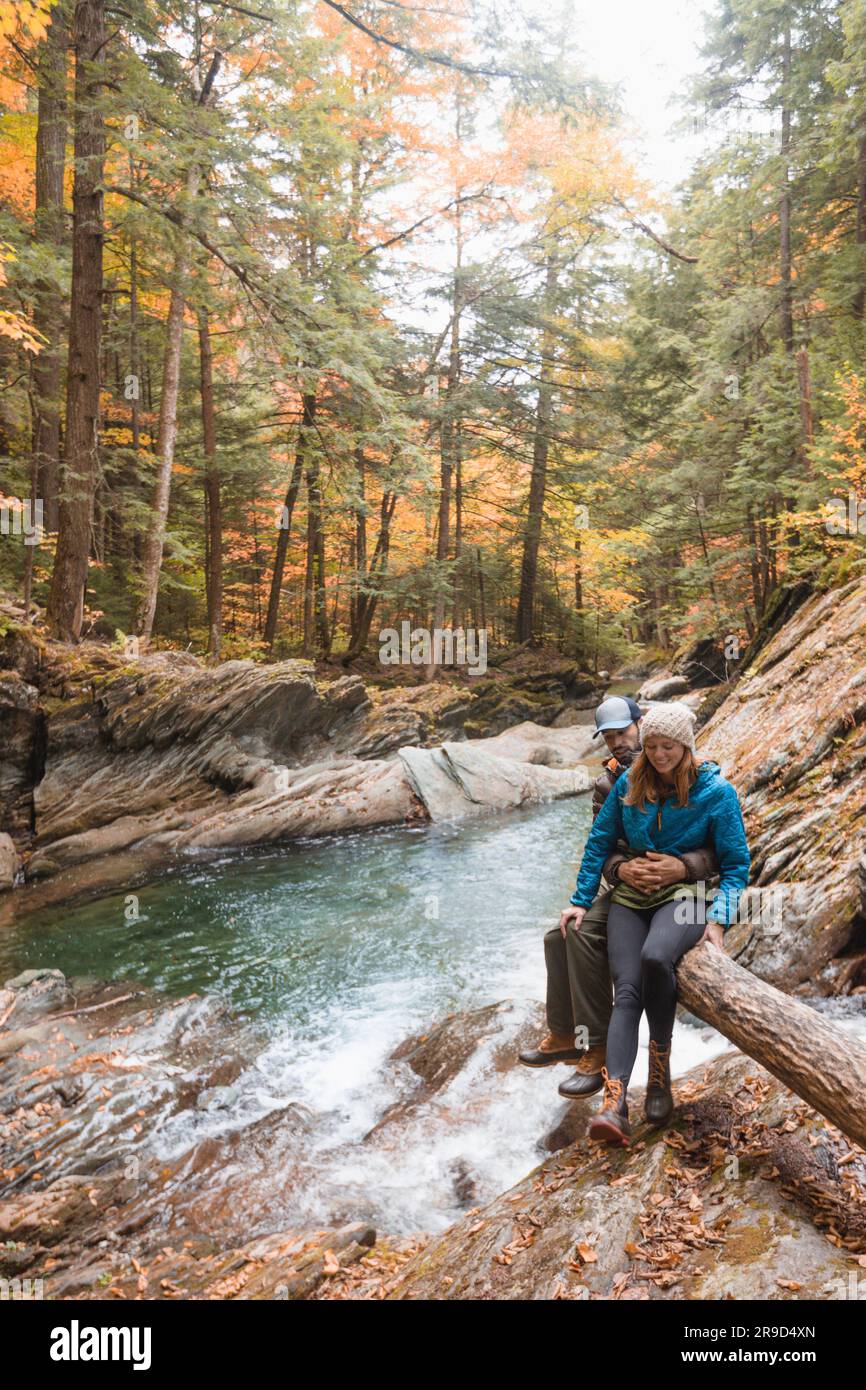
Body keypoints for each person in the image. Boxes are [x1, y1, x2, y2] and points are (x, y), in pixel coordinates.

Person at [561, 700, 750, 1146]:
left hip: (688, 897)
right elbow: (599, 842)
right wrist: (580, 901)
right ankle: (614, 1103)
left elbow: (736, 864)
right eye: (653, 748)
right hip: (632, 897)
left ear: (686, 747)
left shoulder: (716, 793)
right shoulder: (630, 781)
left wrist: (719, 920)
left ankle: (660, 1075)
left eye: (669, 747)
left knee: (654, 957)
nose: (660, 756)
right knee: (626, 989)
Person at [519, 696, 720, 1101]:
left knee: (598, 943)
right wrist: (617, 872)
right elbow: (601, 843)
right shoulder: (609, 782)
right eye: (607, 738)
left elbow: (722, 851)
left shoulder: (693, 773)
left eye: (622, 734)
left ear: (642, 726)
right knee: (562, 933)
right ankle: (568, 1035)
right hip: (629, 887)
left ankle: (598, 1052)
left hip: (679, 887)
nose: (616, 744)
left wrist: (682, 868)